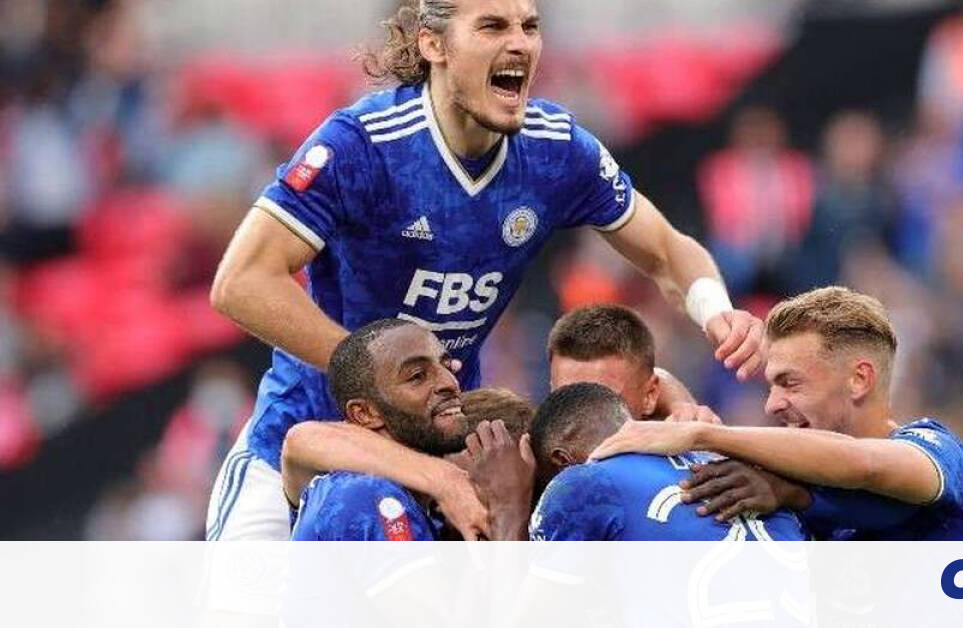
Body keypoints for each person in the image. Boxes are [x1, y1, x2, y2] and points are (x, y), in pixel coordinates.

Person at [206, 0, 765, 540]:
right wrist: (379, 376)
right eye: (493, 26)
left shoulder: (554, 151)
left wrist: (716, 312)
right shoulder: (364, 146)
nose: (519, 43)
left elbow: (666, 250)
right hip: (295, 446)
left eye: (529, 26)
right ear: (434, 44)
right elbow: (241, 281)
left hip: (444, 450)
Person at [591, 287, 963, 540]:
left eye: (790, 382)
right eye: (771, 385)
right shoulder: (795, 493)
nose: (771, 404)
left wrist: (705, 435)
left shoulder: (939, 453)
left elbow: (865, 466)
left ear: (859, 379)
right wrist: (671, 399)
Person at [290, 319, 534, 541]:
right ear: (364, 413)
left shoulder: (423, 509)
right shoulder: (369, 495)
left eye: (447, 366)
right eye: (417, 376)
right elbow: (300, 440)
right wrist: (509, 510)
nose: (450, 382)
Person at [528, 382, 810, 541]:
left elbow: (536, 615)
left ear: (561, 460)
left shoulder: (579, 482)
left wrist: (511, 507)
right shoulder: (747, 472)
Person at [546, 303, 718, 422]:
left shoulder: (692, 456)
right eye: (566, 400)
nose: (580, 420)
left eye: (604, 403)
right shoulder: (535, 450)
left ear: (650, 396)